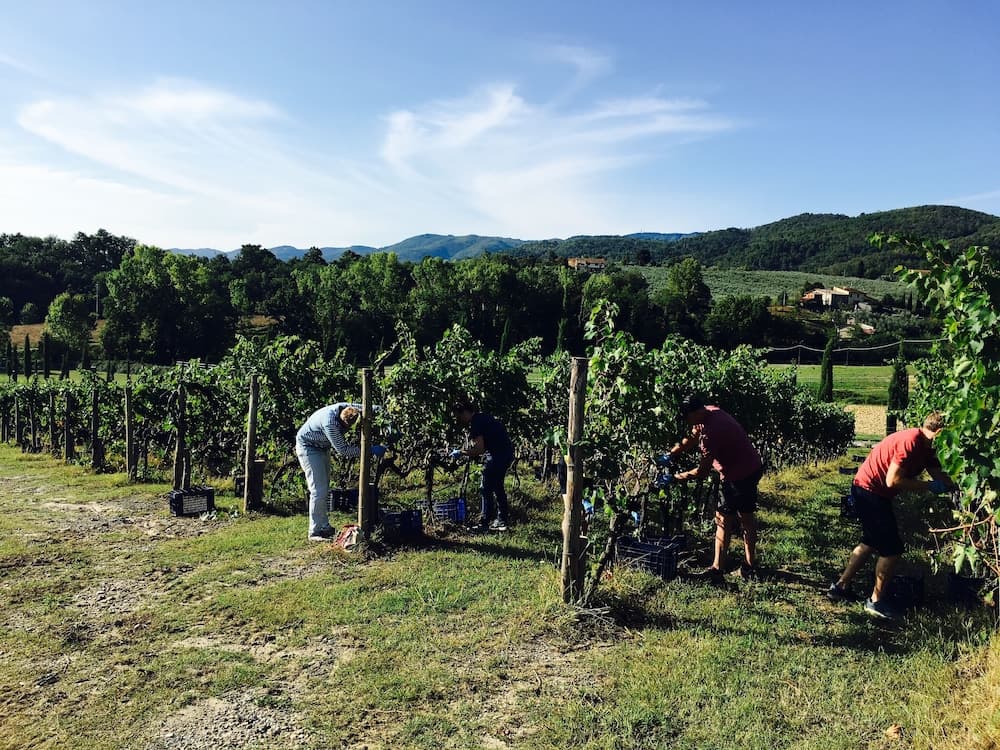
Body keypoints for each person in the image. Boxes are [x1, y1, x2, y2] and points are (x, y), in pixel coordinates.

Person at [828, 411, 954, 619]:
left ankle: (841, 587)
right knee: (892, 549)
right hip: (869, 491)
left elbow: (937, 473)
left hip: (872, 491)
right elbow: (892, 480)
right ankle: (876, 602)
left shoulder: (927, 448)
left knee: (870, 541)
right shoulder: (911, 442)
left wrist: (955, 486)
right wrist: (929, 486)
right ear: (939, 432)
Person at [666, 396, 764, 581]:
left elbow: (702, 472)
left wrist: (674, 478)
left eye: (687, 417)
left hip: (738, 475)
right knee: (745, 517)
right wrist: (671, 454)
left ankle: (718, 570)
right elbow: (693, 437)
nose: (686, 422)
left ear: (695, 412)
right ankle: (749, 567)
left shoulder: (712, 433)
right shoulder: (710, 411)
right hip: (751, 466)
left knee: (724, 519)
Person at [296, 403, 386, 541]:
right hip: (309, 447)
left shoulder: (348, 407)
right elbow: (344, 450)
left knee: (324, 488)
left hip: (322, 447)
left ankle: (324, 527)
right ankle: (314, 531)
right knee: (318, 490)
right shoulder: (330, 424)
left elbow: (370, 407)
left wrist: (384, 412)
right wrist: (370, 450)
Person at [450, 400, 514, 532]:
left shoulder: (476, 423)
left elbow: (479, 449)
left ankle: (485, 522)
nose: (459, 419)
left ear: (465, 412)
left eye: (459, 416)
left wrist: (461, 453)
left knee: (485, 487)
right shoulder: (484, 417)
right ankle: (502, 520)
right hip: (506, 453)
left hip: (497, 455)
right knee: (497, 486)